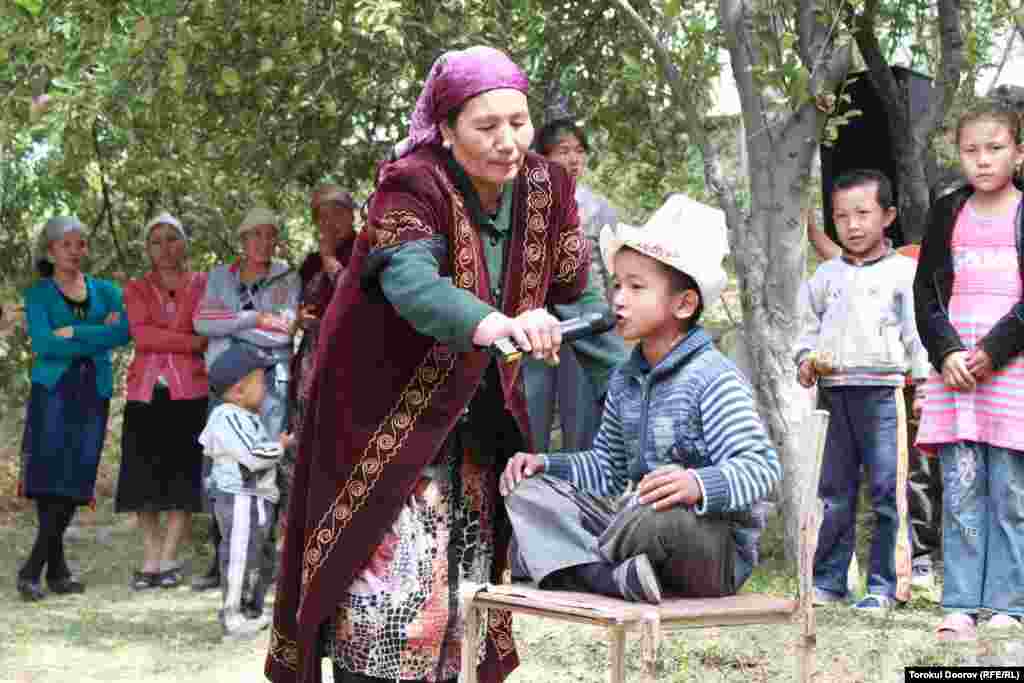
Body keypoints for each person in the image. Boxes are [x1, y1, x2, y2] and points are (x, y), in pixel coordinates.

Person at [267, 46, 607, 683]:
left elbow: (580, 296)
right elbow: (411, 282)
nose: (508, 141)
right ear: (446, 130)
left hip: (478, 419)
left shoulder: (548, 187)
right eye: (487, 126)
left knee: (464, 603)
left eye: (519, 122)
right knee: (390, 611)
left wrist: (638, 382)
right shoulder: (411, 183)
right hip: (383, 418)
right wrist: (494, 323)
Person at [501, 194, 781, 604]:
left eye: (636, 287)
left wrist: (696, 483)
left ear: (684, 304)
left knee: (657, 514)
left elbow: (762, 469)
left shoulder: (713, 378)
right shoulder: (625, 379)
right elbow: (608, 469)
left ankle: (572, 565)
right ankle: (608, 575)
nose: (618, 298)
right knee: (529, 490)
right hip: (632, 525)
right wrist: (546, 464)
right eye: (617, 284)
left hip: (704, 548)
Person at [795, 169, 930, 612]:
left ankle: (886, 586)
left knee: (888, 492)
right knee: (834, 492)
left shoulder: (903, 273)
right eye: (841, 216)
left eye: (862, 214)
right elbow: (807, 327)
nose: (852, 225)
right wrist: (805, 360)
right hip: (833, 393)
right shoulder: (826, 275)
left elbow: (916, 334)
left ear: (887, 216)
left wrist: (923, 385)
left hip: (884, 394)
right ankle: (829, 582)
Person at [914, 99, 1024, 640]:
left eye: (995, 148)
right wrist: (947, 353)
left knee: (1009, 494)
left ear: (1019, 153)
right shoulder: (946, 211)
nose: (982, 160)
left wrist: (994, 351)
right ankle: (959, 604)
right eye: (971, 150)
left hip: (1011, 376)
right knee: (959, 492)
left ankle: (1007, 605)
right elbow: (926, 293)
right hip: (955, 377)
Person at [17, 216, 131, 601]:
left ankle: (44, 569)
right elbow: (45, 345)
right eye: (66, 244)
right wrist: (98, 334)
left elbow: (123, 332)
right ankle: (45, 570)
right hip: (53, 392)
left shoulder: (107, 291)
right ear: (51, 250)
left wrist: (75, 332)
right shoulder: (38, 295)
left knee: (77, 476)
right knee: (51, 478)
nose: (75, 250)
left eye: (80, 243)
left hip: (93, 391)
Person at [192, 206, 300, 592]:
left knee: (263, 465)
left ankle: (261, 561)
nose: (263, 242)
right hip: (226, 385)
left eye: (270, 235)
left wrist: (229, 324)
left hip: (268, 384)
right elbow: (201, 322)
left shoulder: (286, 277)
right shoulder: (221, 276)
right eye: (256, 235)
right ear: (243, 239)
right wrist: (254, 319)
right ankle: (220, 558)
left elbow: (284, 333)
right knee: (222, 466)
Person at [521, 118, 628, 452]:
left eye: (579, 151)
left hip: (584, 320)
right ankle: (527, 476)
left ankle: (583, 479)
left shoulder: (598, 208)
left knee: (583, 409)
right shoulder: (521, 202)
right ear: (541, 156)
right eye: (563, 151)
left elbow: (611, 271)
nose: (573, 159)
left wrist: (612, 316)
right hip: (533, 322)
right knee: (530, 404)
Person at [117, 213, 209, 590]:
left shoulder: (202, 284)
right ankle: (151, 557)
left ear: (183, 243)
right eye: (156, 241)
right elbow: (142, 337)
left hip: (190, 393)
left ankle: (169, 558)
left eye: (172, 238)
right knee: (142, 477)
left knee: (182, 476)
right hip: (145, 392)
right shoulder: (136, 288)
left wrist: (166, 336)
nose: (165, 247)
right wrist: (188, 341)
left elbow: (206, 331)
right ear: (147, 249)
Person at [199, 344, 293, 638]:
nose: (265, 389)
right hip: (239, 498)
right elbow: (252, 456)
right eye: (261, 382)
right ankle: (233, 615)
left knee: (259, 556)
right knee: (239, 555)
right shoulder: (226, 416)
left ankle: (252, 609)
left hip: (257, 498)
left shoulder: (246, 416)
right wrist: (280, 447)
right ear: (239, 391)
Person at [284, 185, 358, 517]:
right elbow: (298, 305)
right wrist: (299, 318)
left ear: (351, 214)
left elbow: (355, 299)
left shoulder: (364, 250)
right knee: (305, 436)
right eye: (322, 216)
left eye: (337, 213)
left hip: (350, 358)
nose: (330, 223)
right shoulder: (310, 262)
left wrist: (330, 259)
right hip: (312, 357)